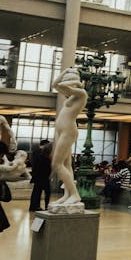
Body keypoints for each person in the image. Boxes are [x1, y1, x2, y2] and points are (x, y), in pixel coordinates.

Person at [50, 68, 87, 208]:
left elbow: (63, 86)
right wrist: (65, 71)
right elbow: (55, 85)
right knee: (66, 165)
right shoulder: (71, 96)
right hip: (61, 131)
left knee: (56, 164)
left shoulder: (81, 94)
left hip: (68, 131)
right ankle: (68, 195)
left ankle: (75, 194)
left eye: (70, 84)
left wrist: (74, 81)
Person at [29, 140, 52, 212]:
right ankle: (46, 206)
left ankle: (34, 206)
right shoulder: (42, 153)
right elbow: (45, 164)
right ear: (45, 144)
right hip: (43, 175)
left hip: (37, 175)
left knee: (36, 192)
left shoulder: (35, 152)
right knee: (47, 192)